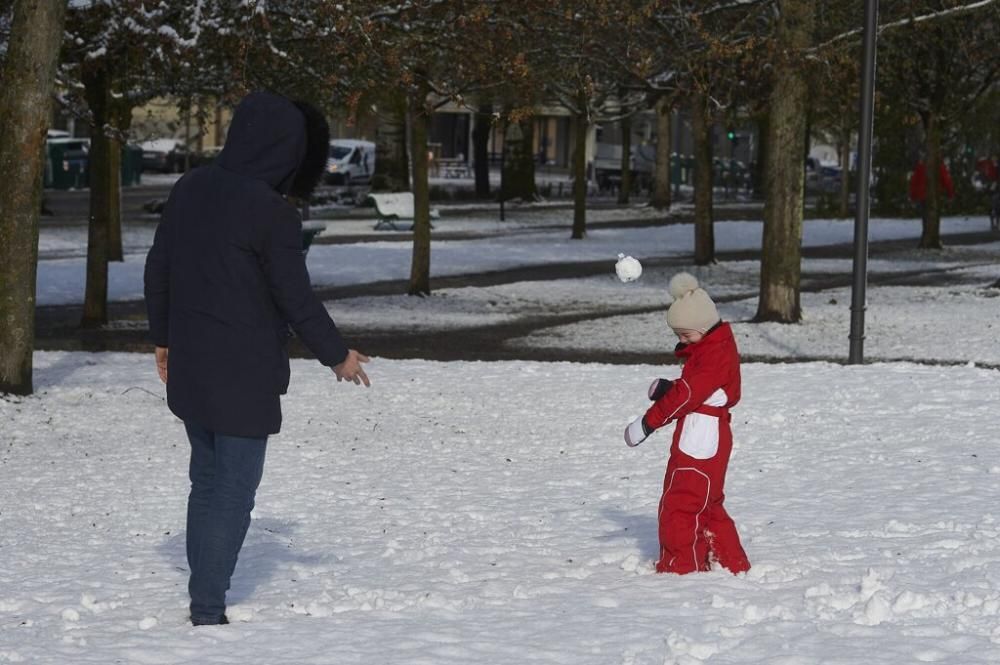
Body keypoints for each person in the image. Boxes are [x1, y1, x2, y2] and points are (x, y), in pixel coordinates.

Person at [143, 91, 371, 626]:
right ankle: (207, 608)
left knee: (207, 478)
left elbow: (159, 268)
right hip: (241, 374)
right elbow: (296, 299)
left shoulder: (190, 186)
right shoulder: (273, 213)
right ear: (288, 152)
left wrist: (162, 339)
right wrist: (337, 356)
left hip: (193, 367)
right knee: (233, 490)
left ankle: (204, 588)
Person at [624, 273, 750, 575]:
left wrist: (646, 424)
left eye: (686, 335)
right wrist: (671, 387)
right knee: (707, 503)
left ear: (703, 327)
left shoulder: (712, 355)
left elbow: (690, 394)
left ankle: (681, 568)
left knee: (681, 502)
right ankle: (729, 561)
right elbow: (698, 388)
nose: (682, 342)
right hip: (707, 432)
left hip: (702, 437)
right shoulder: (714, 347)